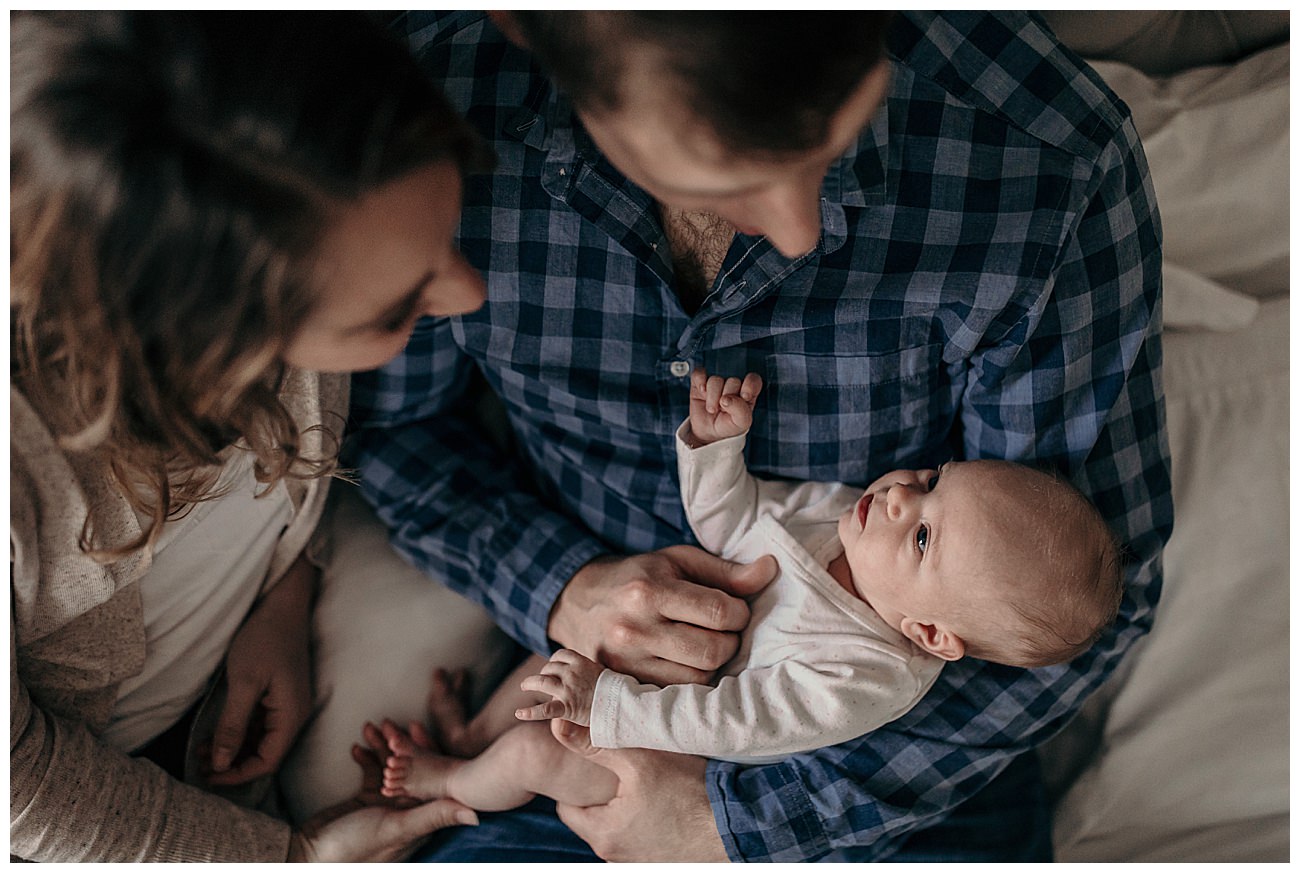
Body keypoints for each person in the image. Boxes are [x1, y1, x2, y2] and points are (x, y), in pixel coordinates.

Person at [349, 11, 1173, 862]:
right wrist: (565, 588)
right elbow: (395, 427)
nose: (799, 233)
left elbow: (1078, 600)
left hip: (879, 780)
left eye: (838, 137)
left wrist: (729, 825)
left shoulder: (1048, 162)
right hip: (589, 694)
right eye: (727, 171)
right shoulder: (427, 102)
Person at [10, 11, 492, 862]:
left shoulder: (279, 175)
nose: (468, 295)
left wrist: (281, 591)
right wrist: (289, 856)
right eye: (392, 307)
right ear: (201, 334)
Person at [371, 367, 1122, 809]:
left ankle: (453, 780)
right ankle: (471, 732)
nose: (899, 496)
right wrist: (717, 448)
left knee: (538, 756)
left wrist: (611, 706)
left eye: (922, 534)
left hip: (668, 745)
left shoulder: (867, 674)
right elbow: (731, 528)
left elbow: (736, 721)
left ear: (929, 633)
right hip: (639, 664)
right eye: (930, 482)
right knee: (558, 657)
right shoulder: (846, 520)